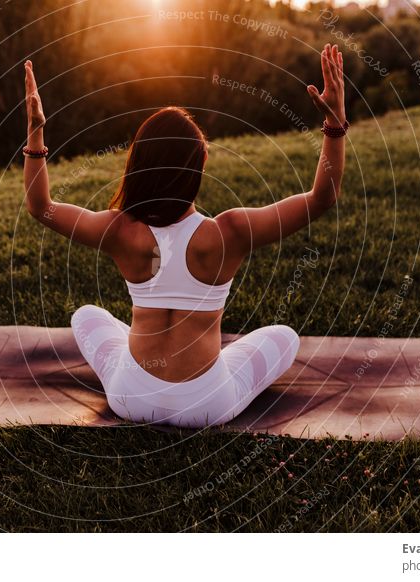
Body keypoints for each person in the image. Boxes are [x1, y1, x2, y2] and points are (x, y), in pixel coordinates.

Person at [23, 44, 346, 428]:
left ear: (139, 165)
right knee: (284, 337)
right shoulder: (230, 232)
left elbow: (39, 206)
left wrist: (36, 130)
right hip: (207, 405)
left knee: (86, 316)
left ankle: (140, 352)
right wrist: (334, 123)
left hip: (131, 398)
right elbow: (321, 199)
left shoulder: (118, 230)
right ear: (197, 168)